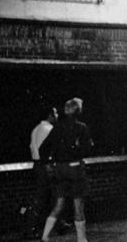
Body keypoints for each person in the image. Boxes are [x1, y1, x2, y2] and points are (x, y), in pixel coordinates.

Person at [39, 98, 93, 242]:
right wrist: (76, 150)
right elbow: (88, 149)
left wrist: (48, 164)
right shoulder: (82, 127)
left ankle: (45, 236)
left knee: (59, 203)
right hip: (75, 169)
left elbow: (43, 148)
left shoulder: (57, 127)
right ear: (78, 111)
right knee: (78, 205)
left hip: (59, 169)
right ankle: (82, 239)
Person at [27, 106, 58, 238]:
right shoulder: (49, 129)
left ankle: (55, 224)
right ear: (50, 115)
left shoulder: (36, 129)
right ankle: (31, 228)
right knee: (45, 196)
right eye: (55, 113)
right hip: (45, 165)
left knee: (46, 195)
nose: (57, 115)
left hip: (37, 164)